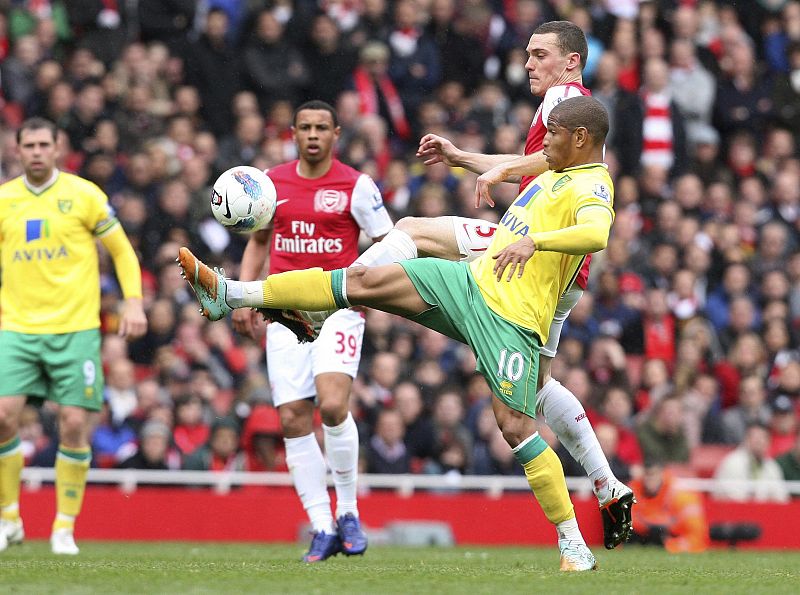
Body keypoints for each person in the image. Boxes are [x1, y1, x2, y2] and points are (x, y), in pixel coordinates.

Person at [180, 95, 614, 571]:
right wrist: (473, 164)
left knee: (514, 426)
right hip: (468, 282)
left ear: (580, 139)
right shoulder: (555, 169)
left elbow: (596, 234)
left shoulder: (592, 183)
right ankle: (231, 292)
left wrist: (537, 241)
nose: (543, 140)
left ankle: (573, 542)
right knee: (366, 276)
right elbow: (520, 164)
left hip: (511, 319)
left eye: (552, 133)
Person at [377, 20, 634, 546]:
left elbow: (536, 165)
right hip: (563, 269)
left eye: (540, 54)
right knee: (535, 388)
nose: (528, 64)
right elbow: (535, 169)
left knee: (411, 230)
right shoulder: (571, 112)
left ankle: (339, 298)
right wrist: (465, 159)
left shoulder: (565, 100)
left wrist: (487, 171)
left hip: (531, 252)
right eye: (526, 55)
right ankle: (607, 484)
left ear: (571, 61)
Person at [231, 100, 394, 563]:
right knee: (290, 419)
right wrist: (245, 294)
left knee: (333, 403)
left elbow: (388, 242)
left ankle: (348, 512)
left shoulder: (357, 186)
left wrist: (369, 284)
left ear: (336, 133)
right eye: (305, 128)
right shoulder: (271, 183)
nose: (314, 135)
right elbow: (260, 239)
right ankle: (321, 526)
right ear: (294, 133)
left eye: (322, 127)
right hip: (283, 310)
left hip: (337, 307)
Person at [0, 117, 147, 555]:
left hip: (76, 328)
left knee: (75, 422)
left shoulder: (84, 195)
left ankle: (63, 527)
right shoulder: (4, 200)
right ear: (18, 149)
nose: (38, 152)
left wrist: (134, 301)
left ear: (58, 147)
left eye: (45, 144)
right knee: (3, 416)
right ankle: (9, 518)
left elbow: (121, 249)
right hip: (17, 328)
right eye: (30, 145)